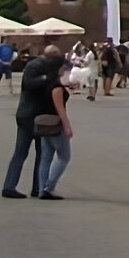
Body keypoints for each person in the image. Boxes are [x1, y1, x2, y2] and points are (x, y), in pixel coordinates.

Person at [3, 47, 62, 198]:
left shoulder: (44, 66)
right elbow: (29, 84)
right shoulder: (36, 66)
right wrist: (46, 78)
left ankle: (36, 186)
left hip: (34, 115)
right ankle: (12, 187)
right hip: (31, 115)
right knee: (24, 152)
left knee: (38, 153)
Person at [31, 53, 75, 201]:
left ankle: (42, 188)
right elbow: (59, 108)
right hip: (55, 123)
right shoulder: (56, 87)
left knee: (46, 157)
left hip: (43, 122)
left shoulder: (44, 83)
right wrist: (67, 126)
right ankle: (49, 187)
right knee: (64, 156)